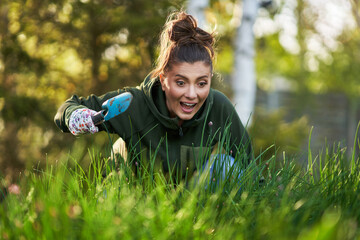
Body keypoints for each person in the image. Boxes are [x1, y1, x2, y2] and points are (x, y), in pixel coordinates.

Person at [54, 11, 253, 181]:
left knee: (225, 165)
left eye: (201, 83)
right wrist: (80, 117)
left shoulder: (216, 107)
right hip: (128, 198)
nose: (192, 94)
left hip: (184, 200)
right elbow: (68, 107)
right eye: (181, 82)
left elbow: (250, 168)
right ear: (163, 79)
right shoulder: (132, 103)